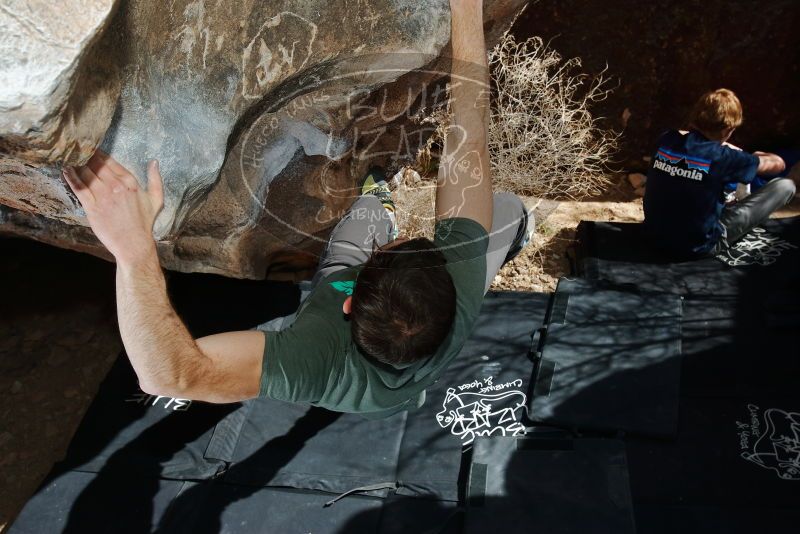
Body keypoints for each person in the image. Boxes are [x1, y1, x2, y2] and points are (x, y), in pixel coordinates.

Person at [61, 0, 532, 416]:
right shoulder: (460, 282)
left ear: (349, 302)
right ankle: (422, 211)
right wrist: (466, 10)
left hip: (348, 344)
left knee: (360, 227)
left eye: (389, 249)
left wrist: (133, 252)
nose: (401, 240)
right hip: (406, 352)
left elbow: (170, 376)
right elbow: (469, 128)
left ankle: (375, 204)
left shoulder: (316, 361)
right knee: (506, 209)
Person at [643, 88, 797, 257]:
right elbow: (779, 165)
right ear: (727, 129)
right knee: (785, 186)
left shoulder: (666, 139)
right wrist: (751, 155)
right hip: (697, 247)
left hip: (652, 236)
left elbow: (686, 139)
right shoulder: (724, 157)